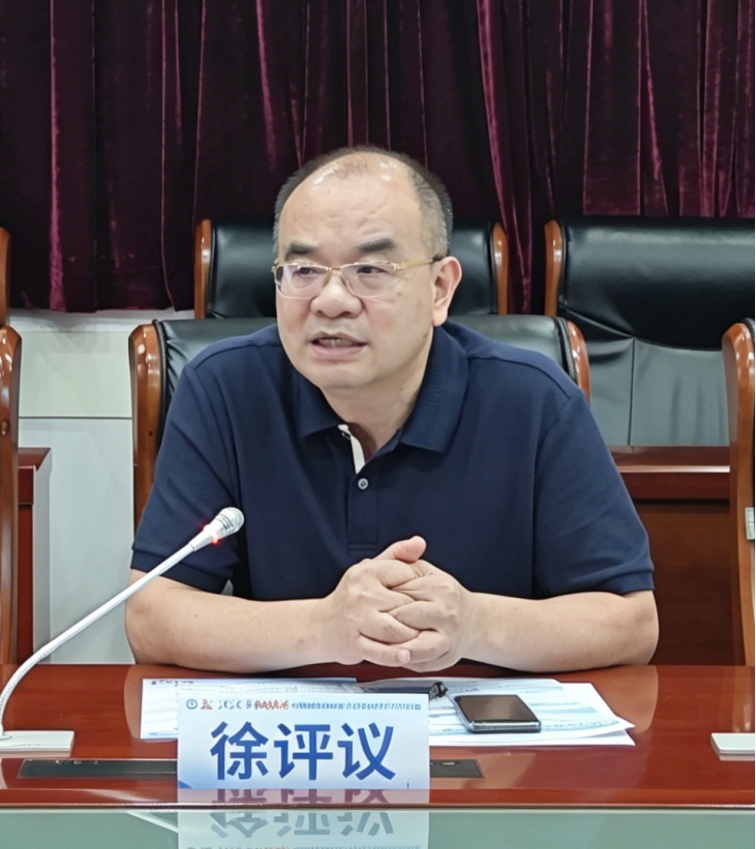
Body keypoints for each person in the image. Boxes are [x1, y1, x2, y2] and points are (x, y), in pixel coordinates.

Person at [126, 146, 658, 674]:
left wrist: (474, 624)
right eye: (303, 269)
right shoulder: (224, 389)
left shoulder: (534, 400)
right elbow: (152, 614)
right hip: (294, 724)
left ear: (440, 289)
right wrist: (324, 627)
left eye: (370, 269)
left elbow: (631, 622)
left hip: (479, 725)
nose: (331, 300)